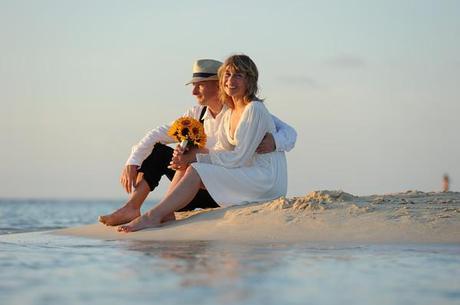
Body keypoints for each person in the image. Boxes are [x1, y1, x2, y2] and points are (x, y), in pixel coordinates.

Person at [99, 58, 297, 226]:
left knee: (192, 156)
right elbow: (158, 134)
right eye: (228, 76)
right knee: (162, 150)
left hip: (229, 181)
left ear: (216, 84)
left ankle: (160, 212)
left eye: (199, 85)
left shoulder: (243, 108)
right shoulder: (197, 114)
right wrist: (132, 161)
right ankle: (133, 207)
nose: (194, 92)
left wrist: (275, 141)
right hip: (208, 179)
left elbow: (289, 131)